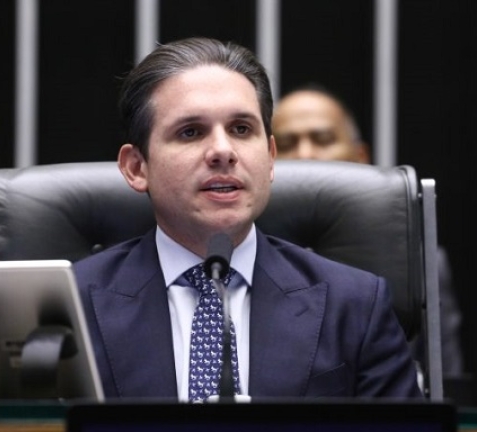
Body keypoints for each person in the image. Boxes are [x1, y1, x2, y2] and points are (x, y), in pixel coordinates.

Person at [72, 37, 423, 401]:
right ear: (136, 167)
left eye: (241, 129)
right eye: (191, 132)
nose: (223, 151)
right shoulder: (72, 307)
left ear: (270, 157)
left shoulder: (355, 304)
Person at [272, 85, 464, 376]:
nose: (305, 154)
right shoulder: (238, 255)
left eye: (323, 140)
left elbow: (444, 378)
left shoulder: (421, 264)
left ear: (360, 156)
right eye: (287, 144)